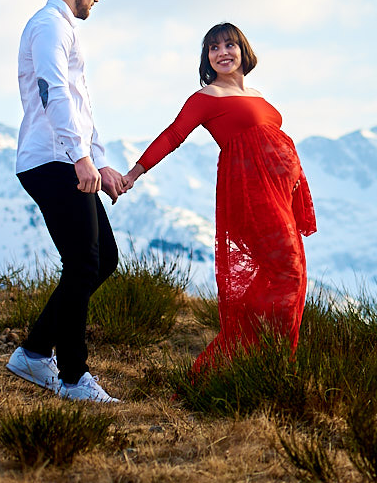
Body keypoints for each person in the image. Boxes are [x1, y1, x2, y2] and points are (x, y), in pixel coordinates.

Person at [121, 23, 316, 374]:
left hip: (278, 196)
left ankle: (249, 361)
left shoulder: (258, 95)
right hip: (250, 196)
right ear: (206, 58)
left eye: (229, 44)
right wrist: (135, 173)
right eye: (213, 48)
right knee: (289, 272)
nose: (222, 52)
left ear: (243, 50)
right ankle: (262, 363)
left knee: (284, 275)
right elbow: (173, 135)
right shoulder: (206, 97)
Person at [4, 0, 127, 403]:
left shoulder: (62, 28)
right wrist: (79, 159)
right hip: (51, 160)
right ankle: (74, 378)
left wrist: (98, 160)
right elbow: (52, 92)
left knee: (103, 259)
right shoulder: (50, 25)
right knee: (83, 264)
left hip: (68, 158)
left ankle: (35, 352)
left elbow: (78, 104)